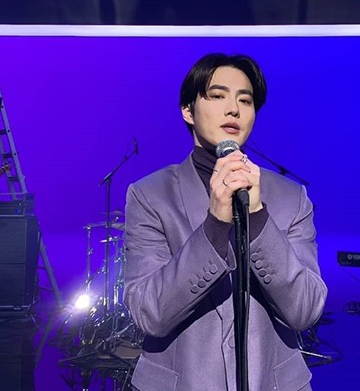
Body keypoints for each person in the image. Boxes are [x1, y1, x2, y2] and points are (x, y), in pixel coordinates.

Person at [123, 53, 328, 390]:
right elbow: (149, 314)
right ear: (188, 110)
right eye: (217, 96)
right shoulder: (151, 195)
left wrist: (258, 216)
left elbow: (305, 310)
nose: (233, 109)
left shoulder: (292, 198)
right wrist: (215, 225)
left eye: (245, 100)